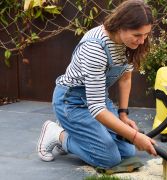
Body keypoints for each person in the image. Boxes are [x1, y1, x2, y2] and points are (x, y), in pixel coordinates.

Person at [36, 0, 157, 169]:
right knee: (109, 159)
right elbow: (97, 108)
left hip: (98, 99)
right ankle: (58, 135)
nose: (142, 41)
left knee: (127, 151)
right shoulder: (95, 47)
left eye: (146, 35)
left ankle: (78, 131)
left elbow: (125, 79)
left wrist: (123, 115)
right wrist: (136, 137)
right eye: (137, 35)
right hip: (72, 102)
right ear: (120, 26)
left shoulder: (128, 44)